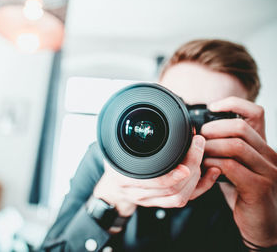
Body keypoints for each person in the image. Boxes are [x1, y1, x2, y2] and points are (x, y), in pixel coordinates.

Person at [41, 39, 277, 252]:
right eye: (175, 107)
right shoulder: (106, 158)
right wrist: (110, 200)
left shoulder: (248, 187)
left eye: (208, 116)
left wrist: (264, 239)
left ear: (241, 124)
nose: (186, 128)